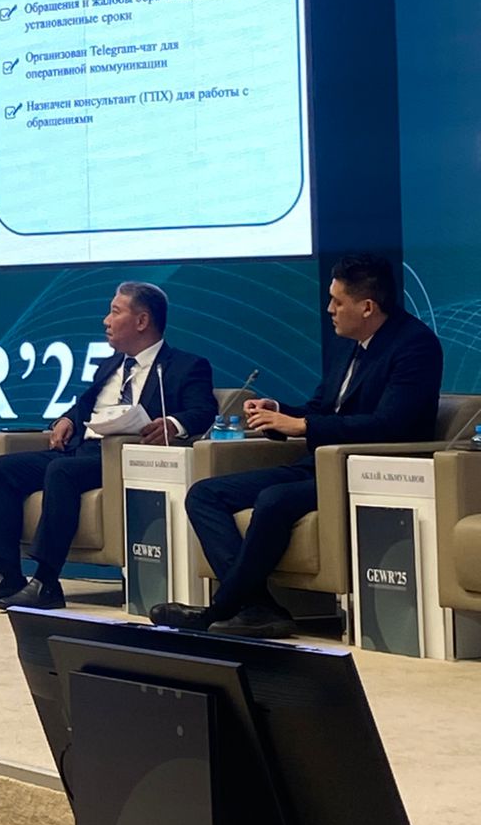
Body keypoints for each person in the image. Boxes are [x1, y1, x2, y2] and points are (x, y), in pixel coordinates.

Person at [151, 253, 443, 640]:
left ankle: (220, 609)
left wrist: (303, 425)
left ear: (367, 307)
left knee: (274, 499)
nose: (329, 310)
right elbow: (320, 409)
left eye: (337, 301)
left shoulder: (415, 346)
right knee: (205, 494)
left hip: (370, 471)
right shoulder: (351, 345)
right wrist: (278, 411)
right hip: (319, 465)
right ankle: (258, 607)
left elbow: (391, 425)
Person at [0, 282, 217, 611]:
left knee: (61, 470)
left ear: (142, 321)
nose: (106, 320)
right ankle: (8, 575)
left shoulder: (185, 366)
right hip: (82, 450)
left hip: (122, 457)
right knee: (1, 469)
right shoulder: (110, 365)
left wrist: (173, 424)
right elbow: (87, 407)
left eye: (115, 312)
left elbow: (203, 410)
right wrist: (67, 418)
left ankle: (46, 582)